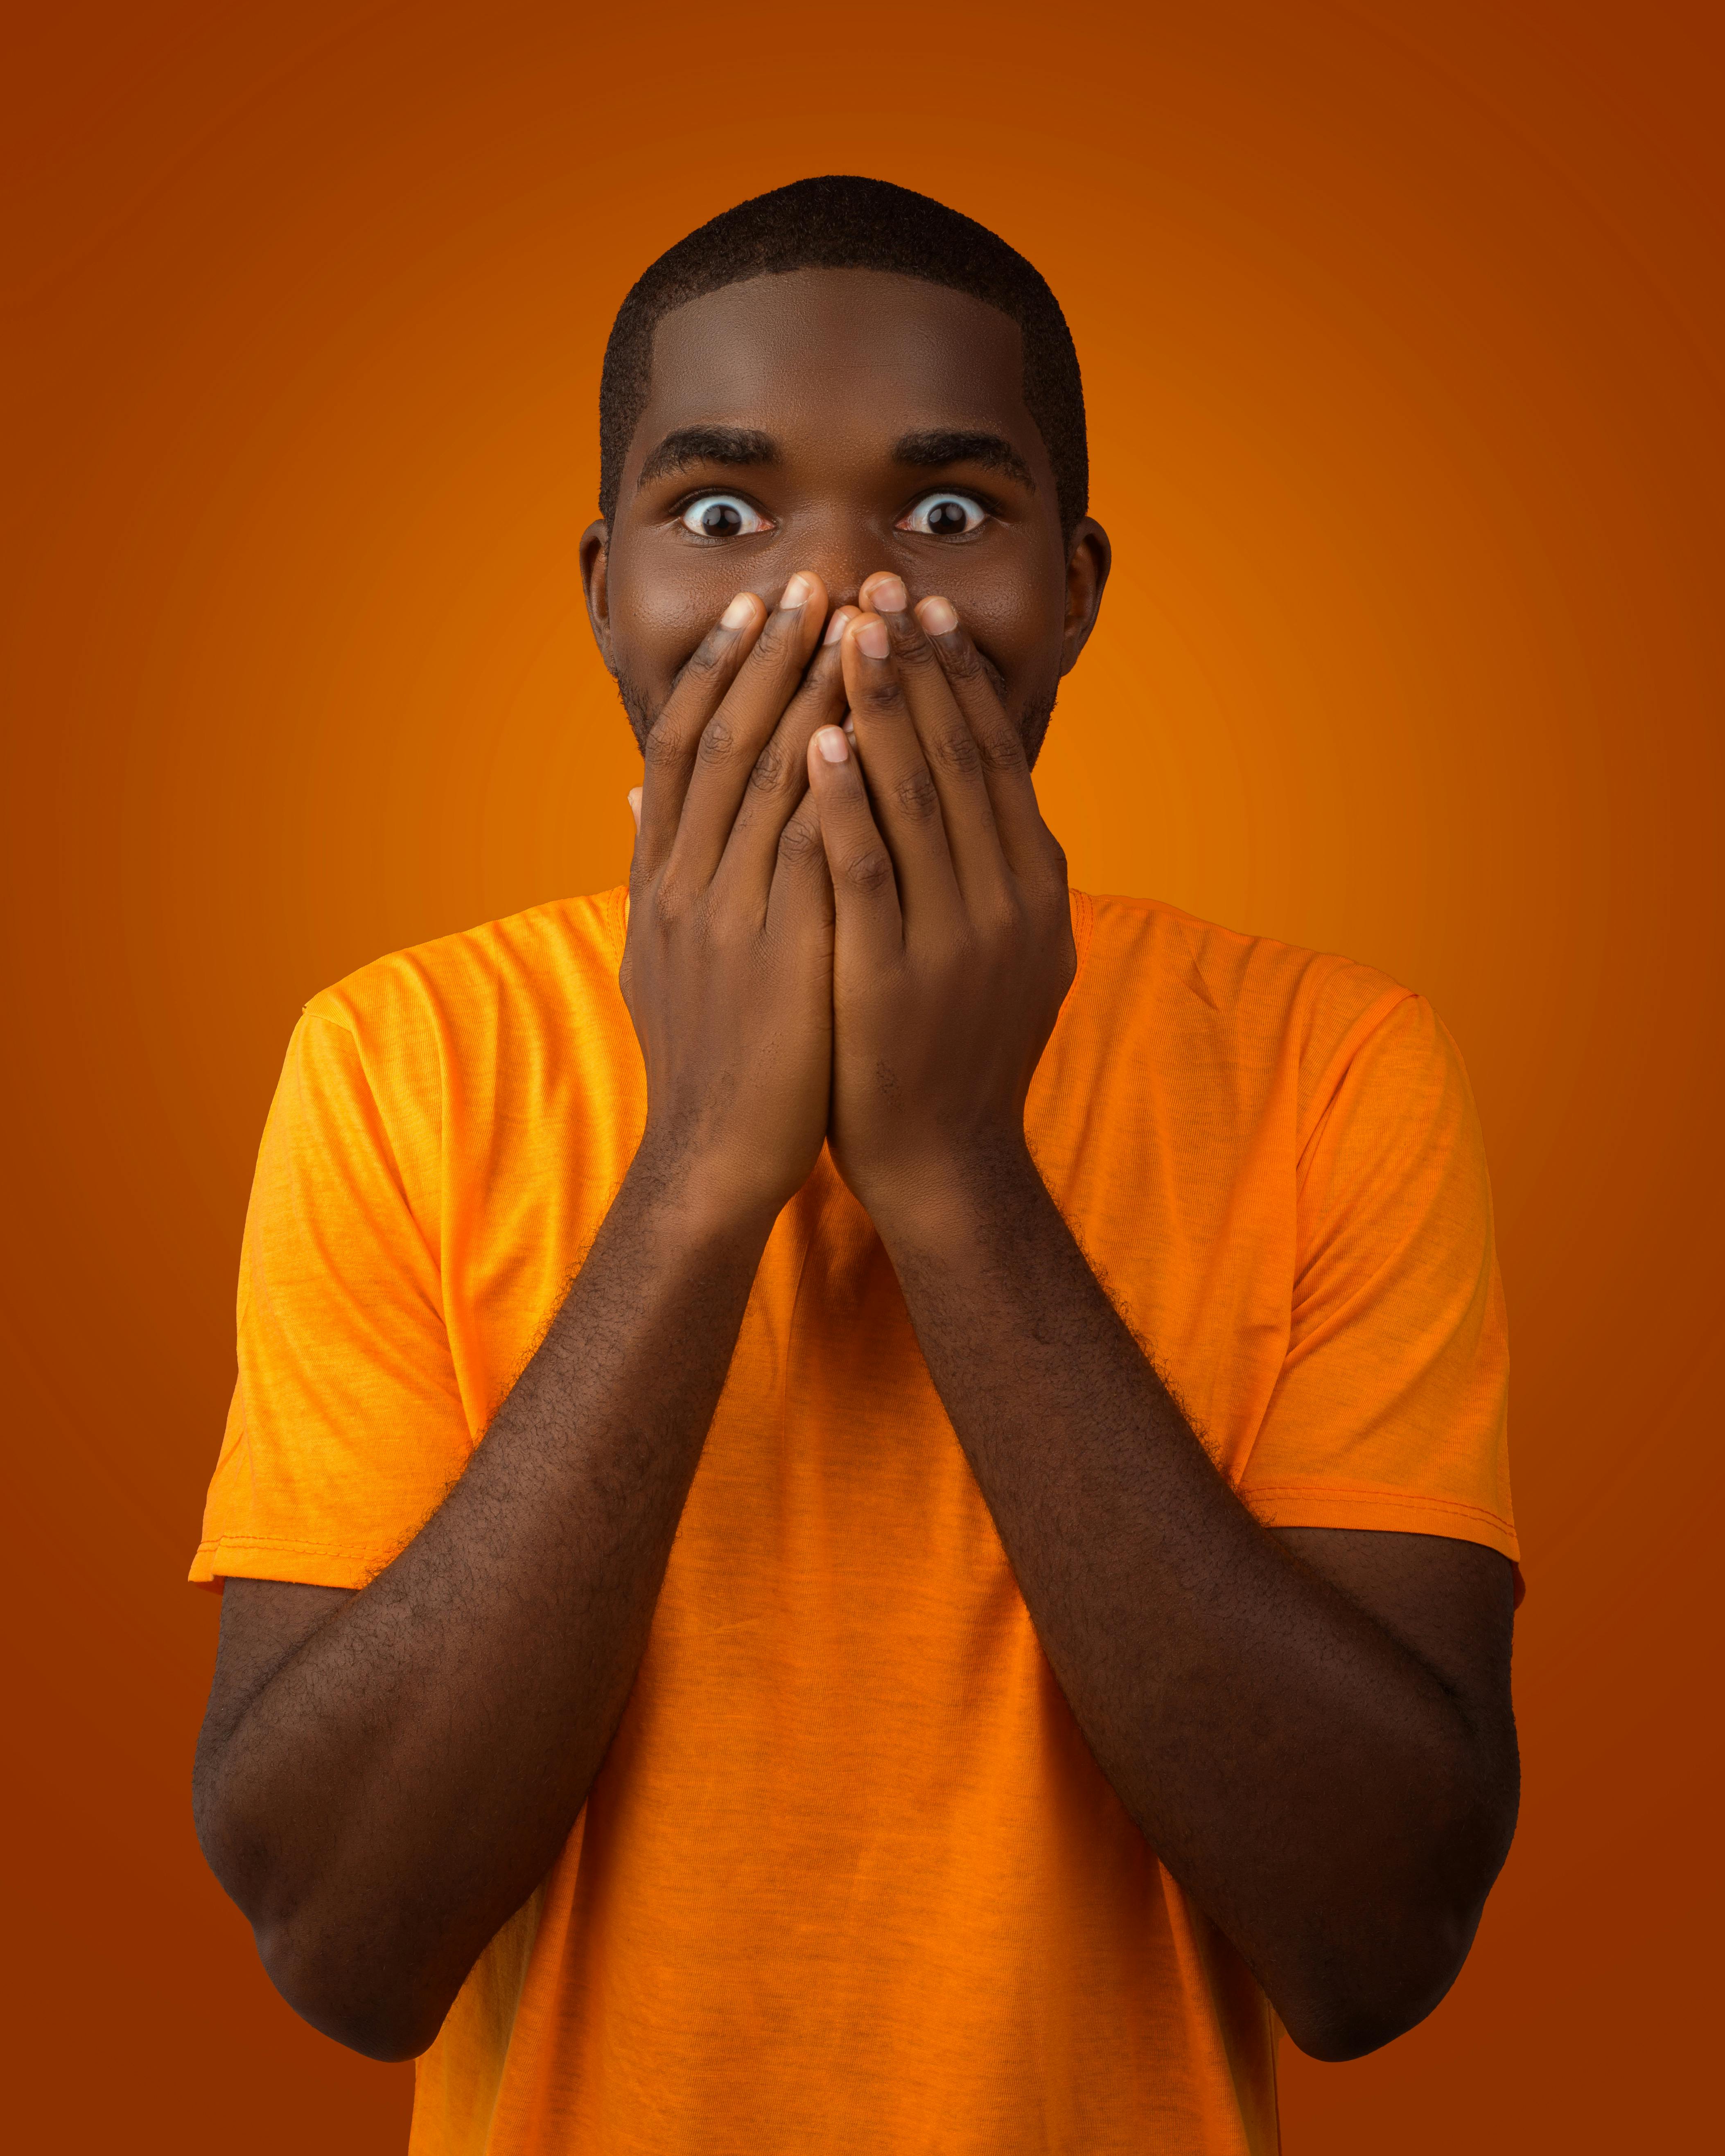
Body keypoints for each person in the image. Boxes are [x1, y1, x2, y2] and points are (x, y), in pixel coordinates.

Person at [191, 175, 1520, 2155]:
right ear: (602, 588)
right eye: (721, 518)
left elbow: (1371, 1947)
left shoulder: (1337, 1067)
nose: (829, 603)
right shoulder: (400, 1058)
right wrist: (704, 1168)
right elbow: (348, 1947)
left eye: (948, 514)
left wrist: (953, 1171)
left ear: (1073, 585)